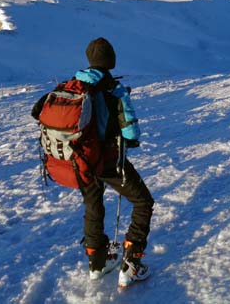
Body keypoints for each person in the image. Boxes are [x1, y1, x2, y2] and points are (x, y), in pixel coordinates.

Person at [33, 37, 154, 286]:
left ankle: (97, 262)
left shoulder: (72, 85)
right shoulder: (113, 89)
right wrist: (127, 140)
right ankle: (131, 262)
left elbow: (38, 112)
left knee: (93, 205)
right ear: (111, 61)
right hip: (108, 160)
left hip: (82, 160)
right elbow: (131, 133)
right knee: (142, 201)